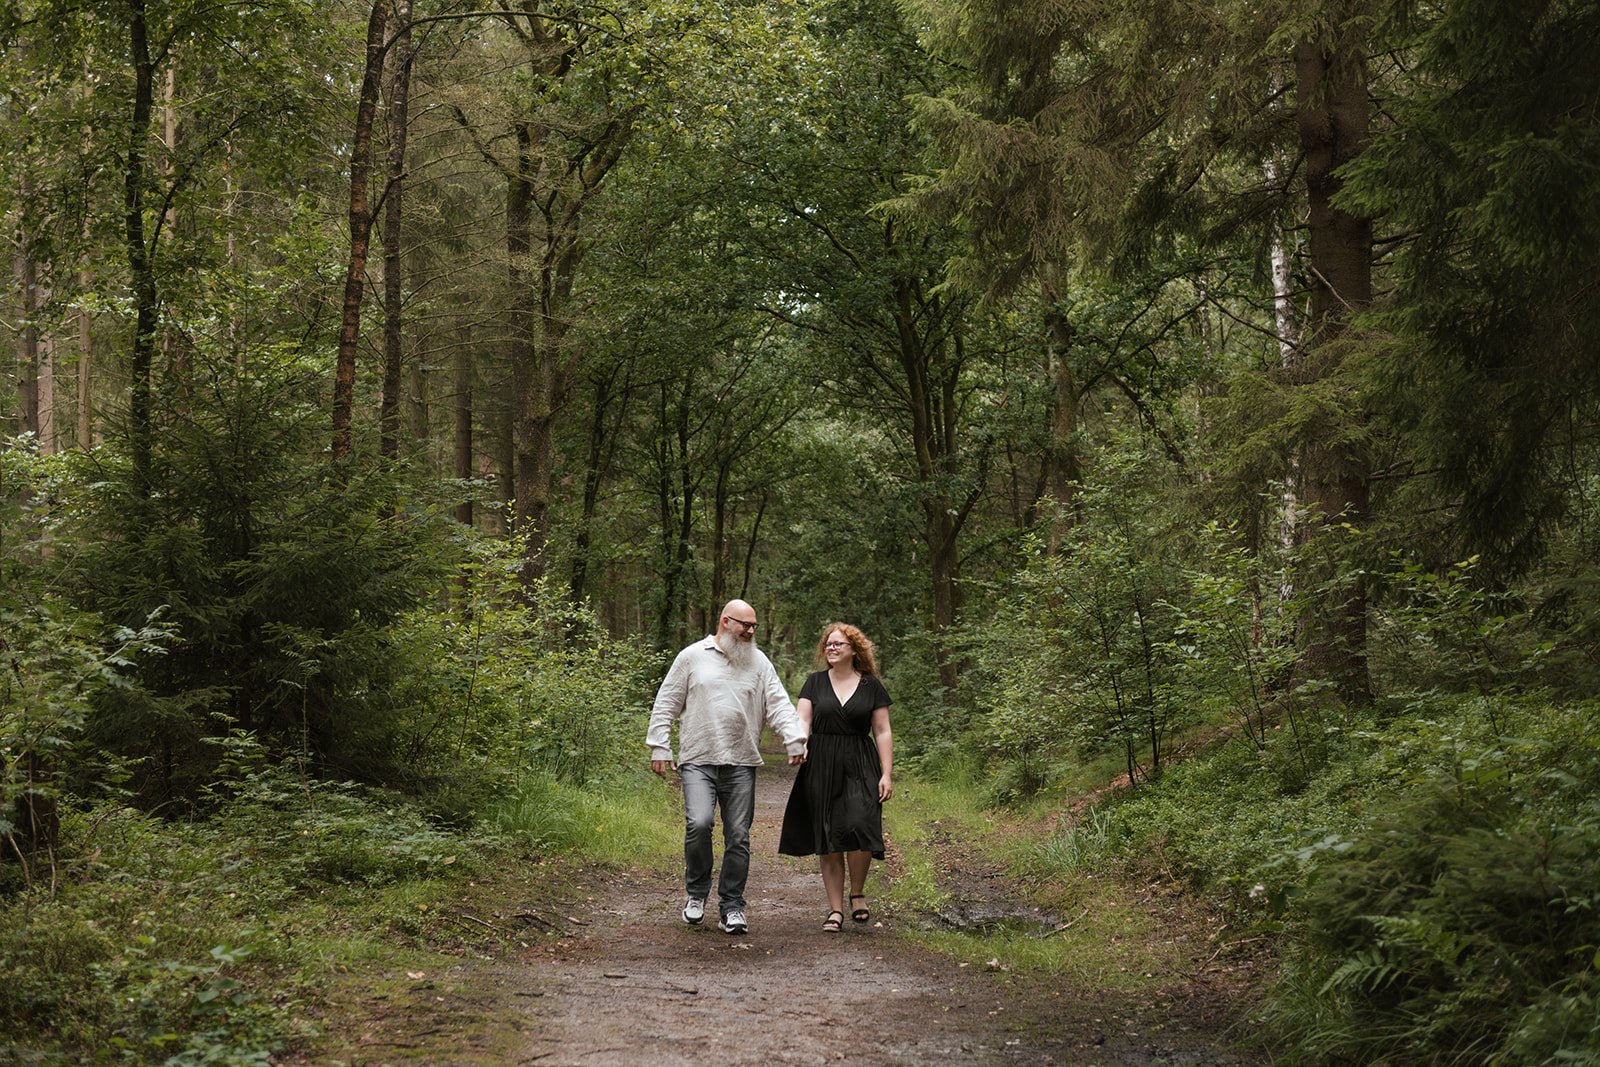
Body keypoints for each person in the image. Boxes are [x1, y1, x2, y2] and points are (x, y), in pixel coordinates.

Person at [646, 599, 808, 935]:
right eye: (744, 625)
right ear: (725, 622)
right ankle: (696, 894)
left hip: (741, 761)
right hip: (698, 759)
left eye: (754, 626)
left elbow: (778, 703)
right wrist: (660, 746)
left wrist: (794, 738)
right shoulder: (692, 657)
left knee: (738, 835)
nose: (750, 631)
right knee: (699, 823)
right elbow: (666, 702)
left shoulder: (759, 662)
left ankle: (732, 906)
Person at [778, 622, 893, 933]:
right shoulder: (814, 682)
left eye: (838, 644)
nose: (831, 648)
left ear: (853, 650)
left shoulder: (871, 686)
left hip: (860, 761)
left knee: (861, 824)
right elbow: (803, 719)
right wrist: (800, 742)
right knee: (828, 837)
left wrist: (886, 773)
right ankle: (836, 910)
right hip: (822, 763)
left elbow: (882, 730)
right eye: (828, 644)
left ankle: (857, 892)